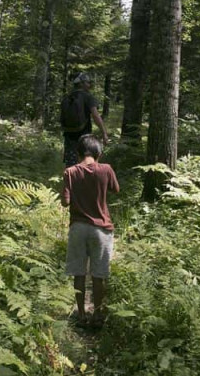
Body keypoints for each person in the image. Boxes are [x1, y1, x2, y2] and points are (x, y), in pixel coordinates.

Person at [61, 135, 120, 327]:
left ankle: (81, 315)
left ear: (78, 153)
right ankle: (98, 315)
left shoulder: (70, 172)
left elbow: (65, 201)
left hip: (78, 227)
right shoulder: (106, 169)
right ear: (98, 152)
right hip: (102, 229)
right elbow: (115, 189)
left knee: (79, 273)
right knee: (99, 274)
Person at [60, 72, 110, 167]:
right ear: (81, 83)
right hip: (84, 136)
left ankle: (71, 180)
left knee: (71, 165)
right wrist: (104, 133)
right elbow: (95, 116)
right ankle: (84, 181)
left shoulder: (67, 97)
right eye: (87, 82)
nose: (89, 84)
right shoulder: (88, 96)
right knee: (86, 164)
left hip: (69, 136)